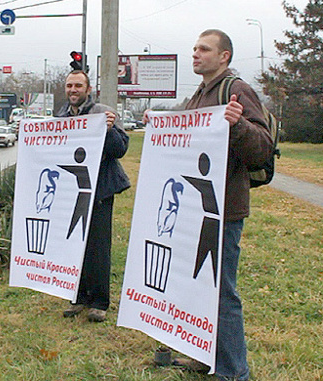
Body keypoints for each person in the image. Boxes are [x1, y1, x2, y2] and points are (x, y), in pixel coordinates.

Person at [144, 29, 273, 380]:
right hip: (193, 213)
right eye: (195, 48)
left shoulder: (236, 90)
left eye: (204, 49)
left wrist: (239, 124)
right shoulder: (200, 95)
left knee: (220, 293)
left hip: (222, 211)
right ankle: (205, 355)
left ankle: (233, 372)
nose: (196, 54)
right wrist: (159, 126)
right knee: (197, 287)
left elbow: (262, 147)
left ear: (224, 56)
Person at [57, 70, 131, 323]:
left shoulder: (103, 112)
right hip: (72, 191)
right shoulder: (61, 115)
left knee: (98, 247)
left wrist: (109, 129)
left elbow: (120, 149)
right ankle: (78, 297)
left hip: (99, 190)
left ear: (88, 89)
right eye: (69, 85)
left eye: (78, 85)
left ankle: (99, 302)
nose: (73, 90)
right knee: (73, 243)